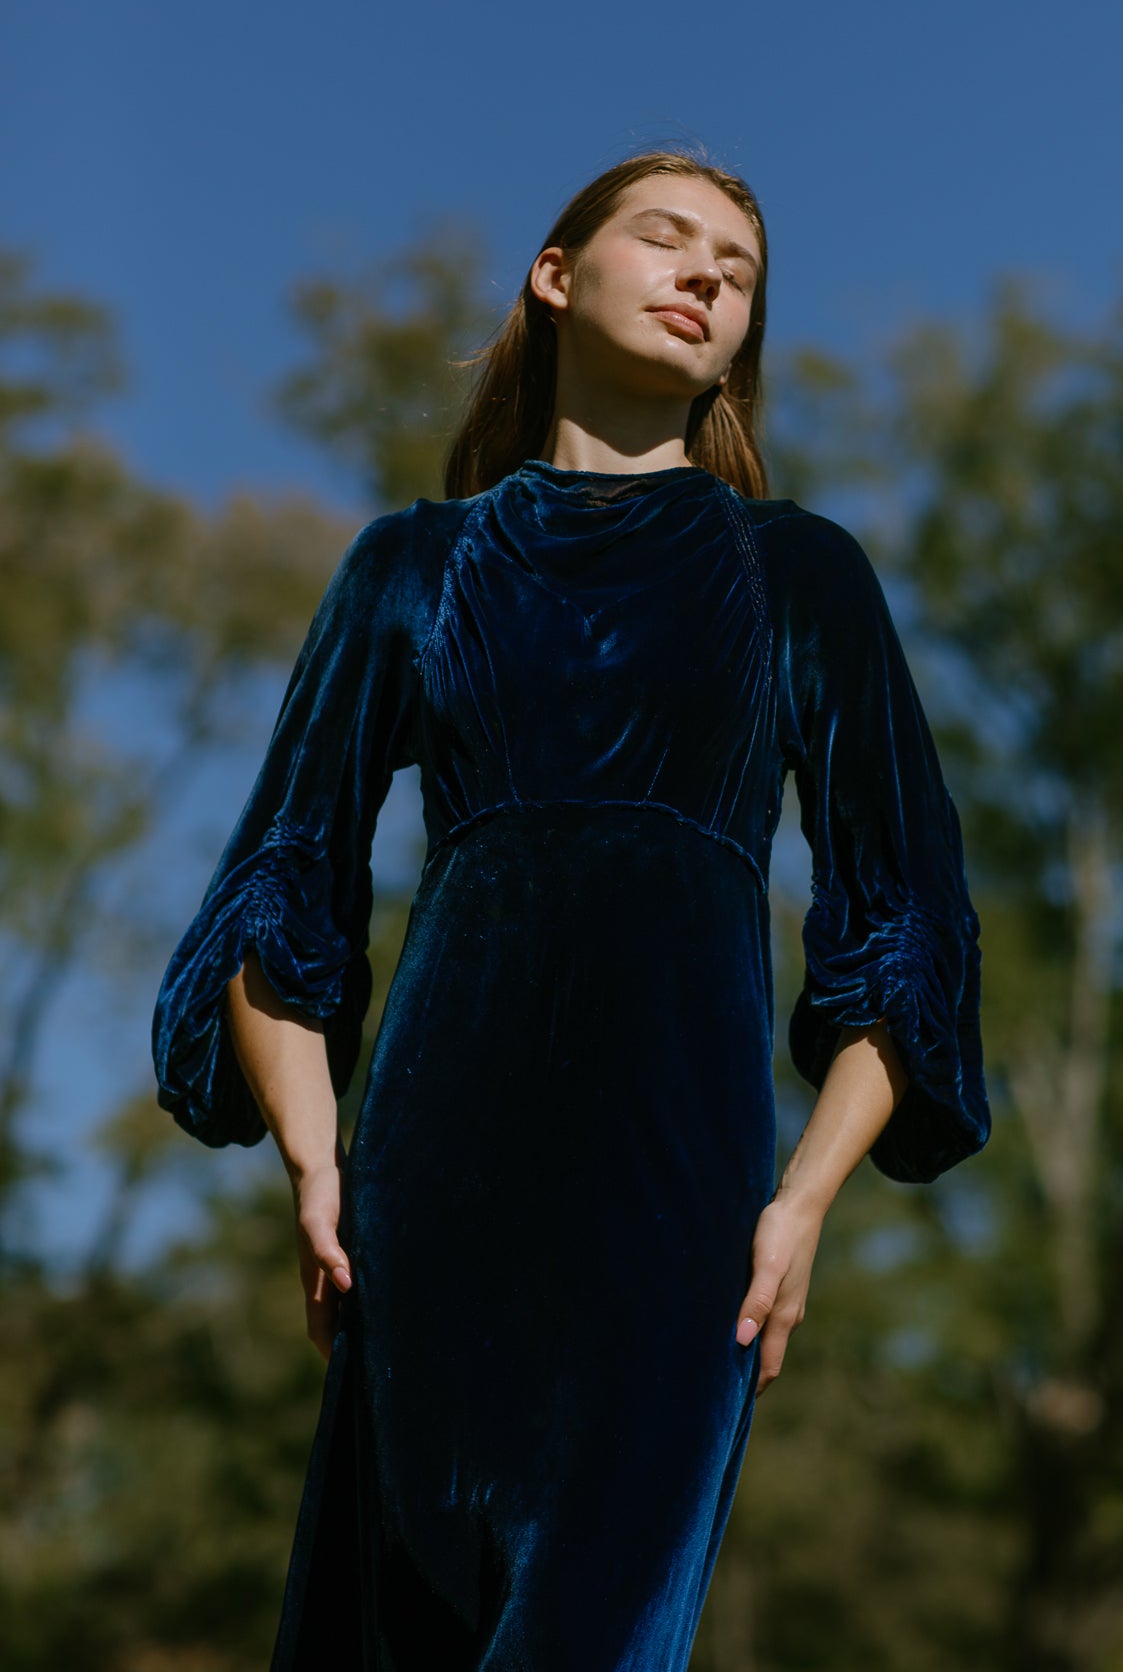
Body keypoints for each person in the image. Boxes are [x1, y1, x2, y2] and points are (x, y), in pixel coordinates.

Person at [151, 149, 990, 1670]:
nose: (706, 277)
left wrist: (796, 1207)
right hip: (430, 1197)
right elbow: (280, 888)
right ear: (555, 275)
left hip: (675, 1220)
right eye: (666, 240)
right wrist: (314, 1161)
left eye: (736, 270)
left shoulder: (797, 574)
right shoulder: (413, 567)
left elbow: (909, 932)